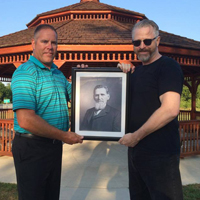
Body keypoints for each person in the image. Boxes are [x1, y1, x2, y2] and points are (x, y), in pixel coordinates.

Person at [11, 24, 85, 200]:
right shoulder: (25, 72)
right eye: (44, 41)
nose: (49, 46)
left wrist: (86, 77)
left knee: (51, 195)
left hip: (52, 147)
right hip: (31, 148)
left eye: (54, 42)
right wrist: (63, 136)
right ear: (33, 43)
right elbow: (26, 120)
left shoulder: (57, 74)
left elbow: (78, 95)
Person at [118, 19, 184, 200]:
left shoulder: (168, 66)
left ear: (158, 41)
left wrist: (136, 136)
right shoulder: (135, 73)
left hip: (161, 155)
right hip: (136, 154)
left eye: (147, 41)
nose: (142, 46)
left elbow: (170, 109)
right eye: (136, 42)